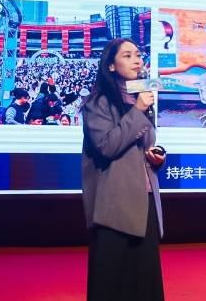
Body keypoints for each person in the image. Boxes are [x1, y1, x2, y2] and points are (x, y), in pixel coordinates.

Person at [82, 38, 165, 301]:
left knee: (144, 278)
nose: (137, 61)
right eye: (127, 56)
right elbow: (106, 146)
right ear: (111, 66)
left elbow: (142, 144)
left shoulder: (140, 99)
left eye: (138, 55)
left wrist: (156, 157)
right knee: (112, 280)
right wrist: (138, 110)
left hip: (143, 196)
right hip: (114, 203)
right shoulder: (98, 103)